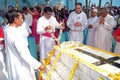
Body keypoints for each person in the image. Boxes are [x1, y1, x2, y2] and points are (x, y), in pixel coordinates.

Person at [4, 10, 44, 80]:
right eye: (21, 18)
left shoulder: (7, 29)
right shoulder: (15, 34)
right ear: (16, 20)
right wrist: (38, 65)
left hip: (14, 63)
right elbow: (24, 54)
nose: (22, 20)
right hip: (20, 66)